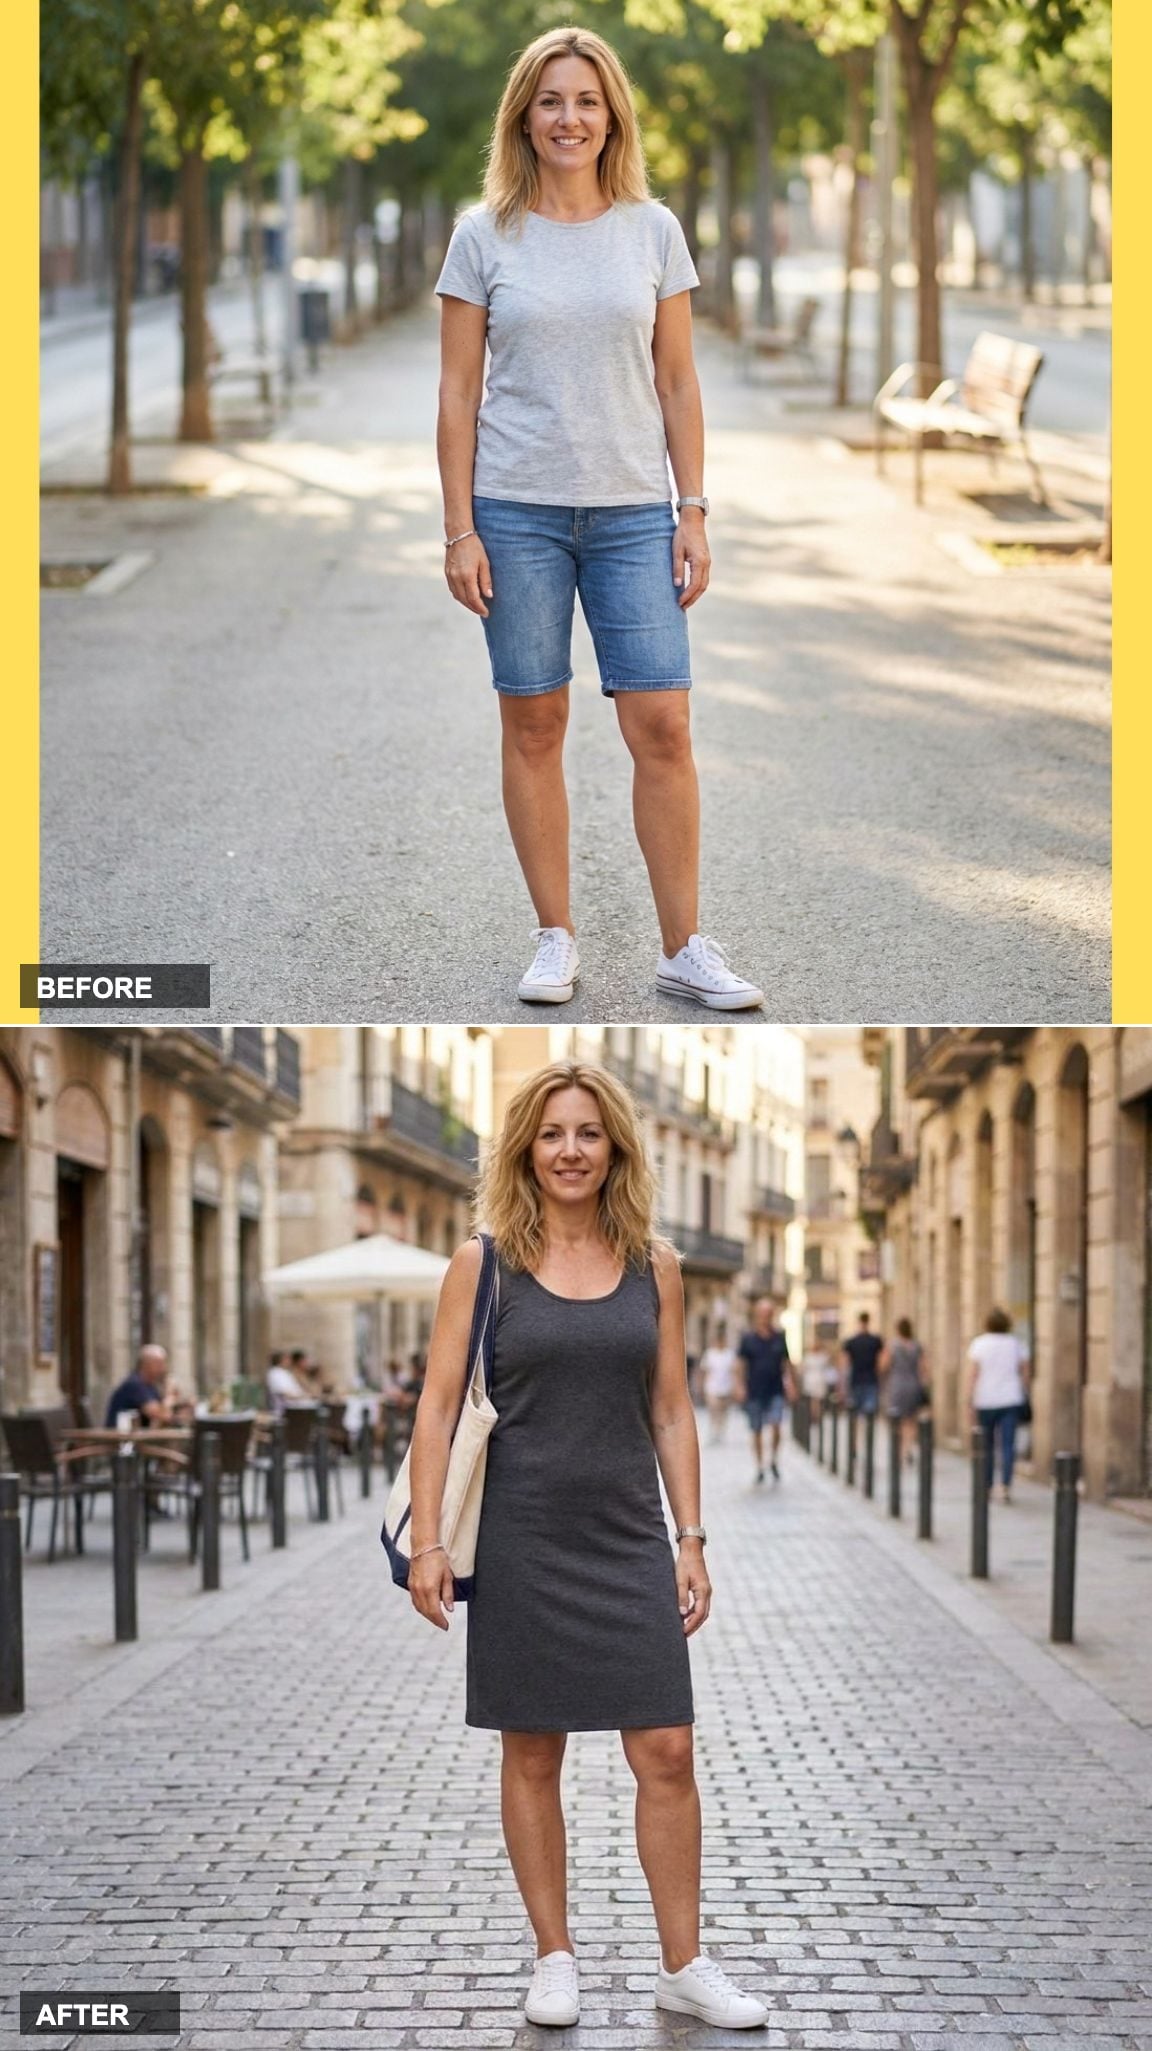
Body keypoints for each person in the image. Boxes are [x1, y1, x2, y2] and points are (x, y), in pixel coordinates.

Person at [405, 1060, 769, 2030]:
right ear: (528, 1144)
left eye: (589, 1132)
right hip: (523, 1535)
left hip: (626, 1535)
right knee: (533, 1750)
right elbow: (437, 1408)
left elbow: (671, 1405)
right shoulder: (483, 1264)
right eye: (554, 1131)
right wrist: (430, 1539)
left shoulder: (655, 1263)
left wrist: (690, 1536)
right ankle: (553, 1952)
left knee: (667, 1746)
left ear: (616, 1148)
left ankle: (682, 1961)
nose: (571, 1149)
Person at [435, 27, 763, 1014]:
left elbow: (677, 378)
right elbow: (456, 392)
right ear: (523, 119)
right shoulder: (483, 233)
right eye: (550, 101)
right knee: (534, 721)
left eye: (586, 100)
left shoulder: (652, 229)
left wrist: (693, 508)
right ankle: (554, 936)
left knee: (662, 723)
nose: (569, 117)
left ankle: (685, 946)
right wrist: (460, 528)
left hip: (631, 512)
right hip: (516, 511)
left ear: (611, 113)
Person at [964, 1307, 1030, 1504]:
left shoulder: (980, 1344)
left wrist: (968, 1399)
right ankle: (1005, 1486)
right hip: (1010, 1399)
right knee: (1008, 1445)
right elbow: (1025, 1372)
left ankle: (988, 1484)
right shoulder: (1015, 1343)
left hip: (986, 1399)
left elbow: (973, 1374)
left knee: (988, 1445)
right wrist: (1022, 1388)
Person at [735, 1298, 795, 1484]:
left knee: (777, 1425)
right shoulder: (748, 1339)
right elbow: (741, 1365)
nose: (765, 1317)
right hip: (755, 1390)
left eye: (768, 1313)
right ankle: (760, 1466)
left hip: (775, 1389)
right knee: (757, 1429)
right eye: (762, 1313)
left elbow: (786, 1363)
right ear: (757, 1315)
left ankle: (774, 1460)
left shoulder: (779, 1337)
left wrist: (791, 1383)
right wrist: (739, 1386)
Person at [884, 1317, 927, 1465]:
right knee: (911, 1420)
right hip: (913, 1385)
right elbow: (923, 1369)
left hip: (897, 1385)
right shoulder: (916, 1346)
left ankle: (901, 1451)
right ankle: (907, 1448)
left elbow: (884, 1365)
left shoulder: (893, 1345)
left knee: (898, 1419)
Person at [103, 1345, 174, 1428]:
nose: (163, 1368)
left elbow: (163, 1416)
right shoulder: (134, 1384)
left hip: (138, 1436)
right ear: (146, 1364)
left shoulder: (150, 1386)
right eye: (159, 1364)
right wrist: (169, 1396)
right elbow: (160, 1415)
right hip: (119, 1437)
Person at [698, 1323, 737, 1443]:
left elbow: (734, 1371)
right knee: (713, 1409)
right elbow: (704, 1371)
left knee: (724, 1411)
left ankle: (720, 1431)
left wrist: (735, 1386)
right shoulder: (710, 1354)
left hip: (726, 1386)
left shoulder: (729, 1354)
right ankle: (713, 1431)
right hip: (712, 1387)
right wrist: (701, 1385)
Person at [841, 1312, 883, 1418]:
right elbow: (881, 1361)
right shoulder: (875, 1341)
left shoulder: (851, 1342)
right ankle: (867, 1433)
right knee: (869, 1413)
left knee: (855, 1413)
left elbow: (845, 1362)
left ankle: (859, 1434)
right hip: (871, 1379)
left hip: (856, 1379)